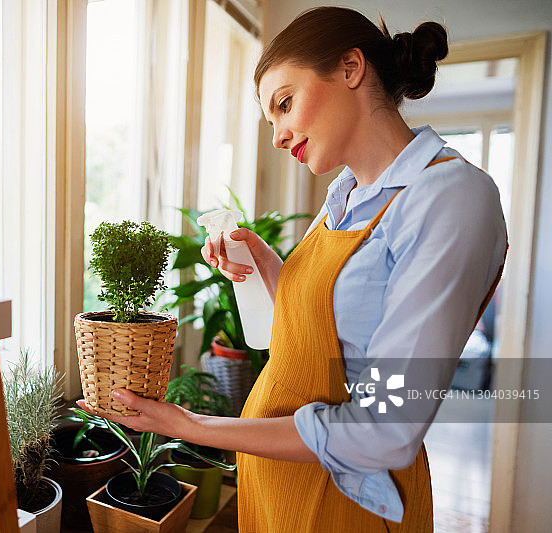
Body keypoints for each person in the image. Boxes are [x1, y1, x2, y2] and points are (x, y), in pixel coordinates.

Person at [77, 6, 507, 532]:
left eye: (285, 103)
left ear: (351, 68)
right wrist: (267, 263)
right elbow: (321, 334)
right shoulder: (343, 198)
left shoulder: (450, 196)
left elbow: (385, 431)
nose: (278, 136)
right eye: (271, 119)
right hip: (278, 487)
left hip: (348, 503)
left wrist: (191, 424)